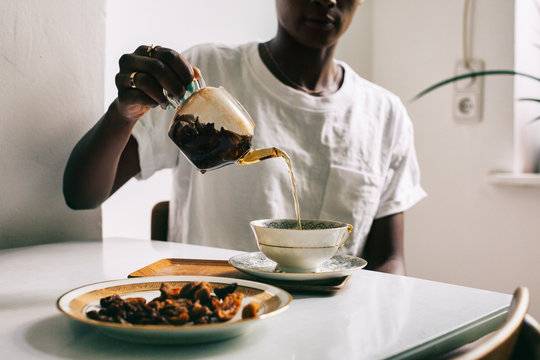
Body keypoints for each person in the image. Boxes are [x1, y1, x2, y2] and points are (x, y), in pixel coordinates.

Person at [63, 0, 426, 275]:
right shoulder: (202, 80)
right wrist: (123, 112)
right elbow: (82, 193)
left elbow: (388, 259)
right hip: (211, 318)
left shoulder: (385, 114)